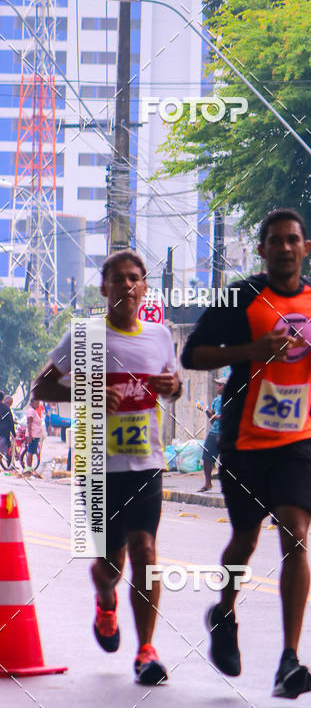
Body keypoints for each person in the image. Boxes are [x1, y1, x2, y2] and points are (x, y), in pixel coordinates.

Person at [182, 208, 311, 699]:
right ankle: (224, 611)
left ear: (305, 248)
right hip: (246, 439)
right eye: (275, 240)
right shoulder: (240, 297)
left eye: (293, 239)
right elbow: (193, 355)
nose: (285, 248)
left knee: (295, 534)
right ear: (263, 249)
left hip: (299, 438)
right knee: (245, 541)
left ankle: (289, 660)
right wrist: (250, 350)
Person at [33, 250, 182, 685]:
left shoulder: (160, 337)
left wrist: (173, 387)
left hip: (147, 466)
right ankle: (104, 600)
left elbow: (172, 386)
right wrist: (90, 391)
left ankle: (146, 652)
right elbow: (42, 385)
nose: (127, 286)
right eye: (118, 279)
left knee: (146, 553)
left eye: (135, 279)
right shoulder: (84, 335)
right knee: (110, 565)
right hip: (99, 467)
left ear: (144, 287)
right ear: (104, 287)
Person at [199, 378, 225, 492]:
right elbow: (213, 420)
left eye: (220, 385)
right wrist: (205, 410)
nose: (217, 387)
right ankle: (208, 483)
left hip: (227, 433)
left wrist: (215, 416)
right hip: (214, 432)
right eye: (217, 385)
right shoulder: (216, 401)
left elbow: (226, 417)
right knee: (207, 457)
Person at [25, 394, 44, 471]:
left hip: (35, 435)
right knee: (30, 452)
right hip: (33, 435)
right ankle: (28, 469)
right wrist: (30, 435)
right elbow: (29, 424)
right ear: (32, 403)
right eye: (37, 403)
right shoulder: (31, 411)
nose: (38, 405)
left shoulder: (34, 411)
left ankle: (30, 468)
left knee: (32, 452)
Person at [0, 391, 16, 466]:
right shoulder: (6, 409)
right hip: (4, 433)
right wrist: (14, 433)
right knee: (8, 449)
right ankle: (9, 465)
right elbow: (10, 422)